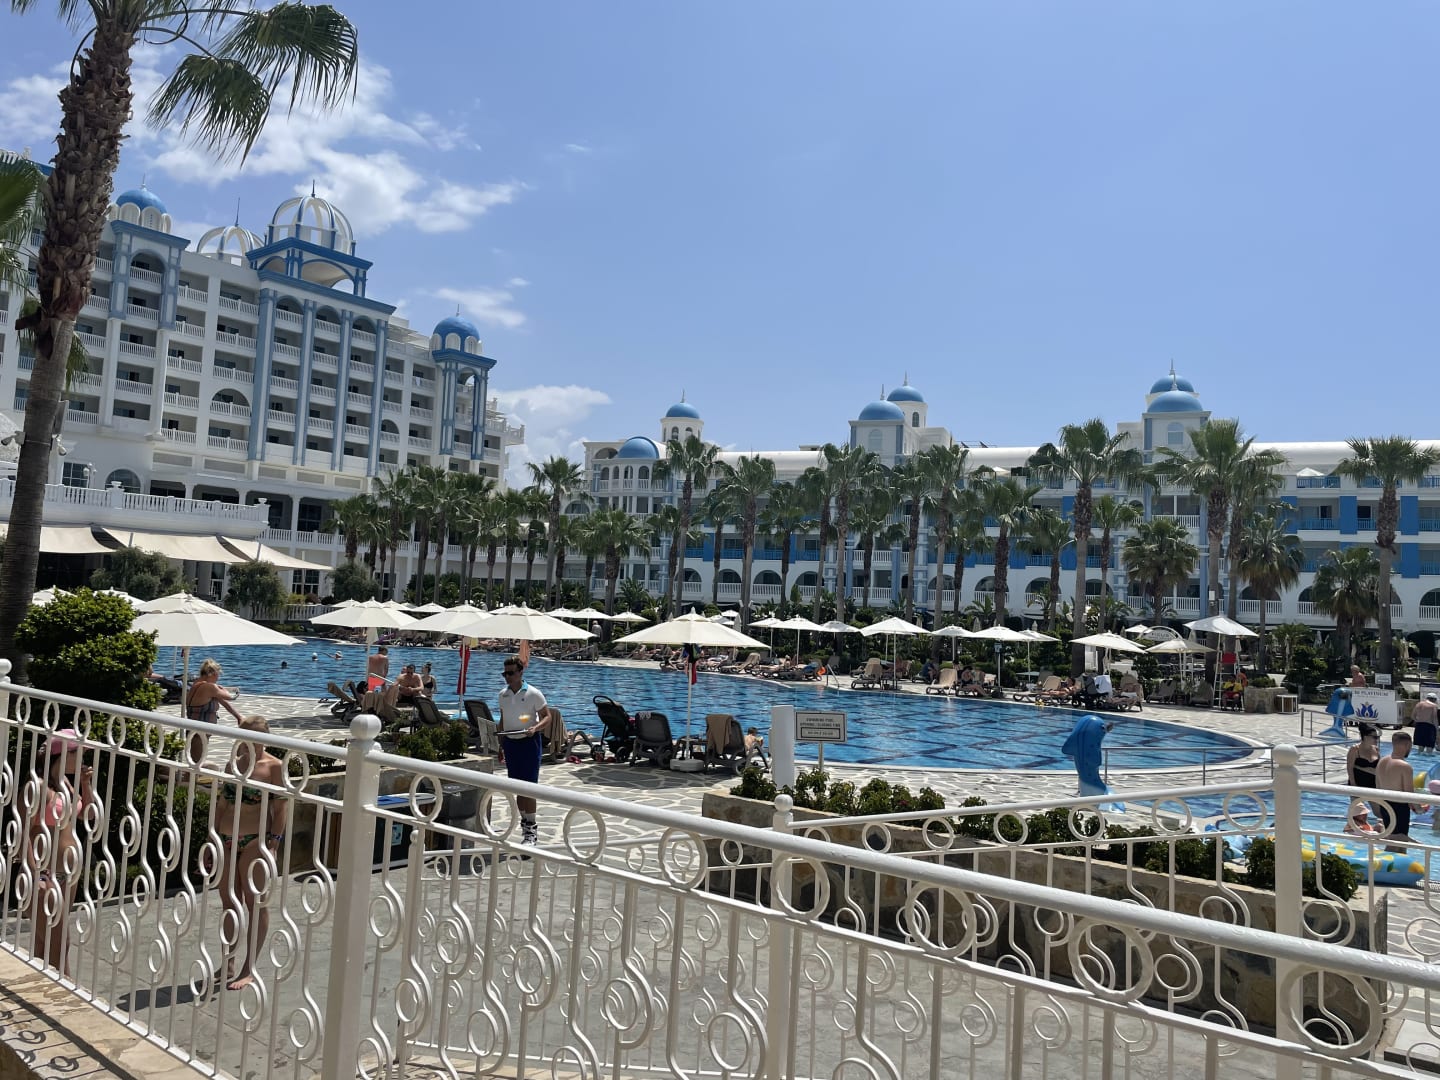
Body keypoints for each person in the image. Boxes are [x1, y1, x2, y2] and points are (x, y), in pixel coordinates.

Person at [215, 715, 286, 991]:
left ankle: (250, 967)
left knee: (254, 902)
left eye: (256, 736)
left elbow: (280, 808)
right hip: (226, 838)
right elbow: (222, 803)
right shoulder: (233, 763)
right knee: (229, 902)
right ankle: (228, 962)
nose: (250, 742)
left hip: (255, 840)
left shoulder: (274, 767)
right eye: (246, 735)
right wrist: (212, 838)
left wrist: (274, 844)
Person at [24, 729, 97, 976]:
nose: (83, 759)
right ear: (63, 754)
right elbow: (23, 833)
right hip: (46, 873)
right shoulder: (39, 787)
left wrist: (85, 785)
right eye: (79, 753)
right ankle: (64, 988)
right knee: (59, 942)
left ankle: (39, 986)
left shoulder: (65, 783)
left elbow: (88, 815)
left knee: (45, 940)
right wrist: (34, 873)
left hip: (67, 872)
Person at [498, 657, 553, 845]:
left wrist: (535, 728)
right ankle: (525, 823)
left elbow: (547, 716)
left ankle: (531, 830)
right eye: (505, 673)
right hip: (510, 744)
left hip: (529, 743)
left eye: (511, 673)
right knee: (517, 787)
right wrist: (500, 744)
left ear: (521, 672)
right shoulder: (503, 695)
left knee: (529, 788)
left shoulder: (534, 693)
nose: (508, 677)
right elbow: (503, 719)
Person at [187, 659, 242, 764]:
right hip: (200, 730)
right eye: (218, 675)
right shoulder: (209, 687)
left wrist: (238, 717)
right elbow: (230, 697)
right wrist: (222, 689)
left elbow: (224, 702)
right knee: (197, 762)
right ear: (213, 674)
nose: (218, 679)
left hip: (197, 729)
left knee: (197, 760)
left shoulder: (197, 684)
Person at [1376, 731, 1419, 846]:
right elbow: (1409, 795)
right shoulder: (1405, 767)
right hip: (1399, 807)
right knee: (1400, 842)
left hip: (1384, 805)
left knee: (1392, 841)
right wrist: (1419, 808)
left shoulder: (1382, 761)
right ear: (1407, 745)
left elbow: (1377, 786)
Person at [1346, 723, 1381, 790]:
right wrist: (1353, 785)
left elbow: (1379, 768)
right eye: (1374, 737)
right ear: (1365, 737)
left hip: (1373, 785)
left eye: (1377, 737)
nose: (1377, 739)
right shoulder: (1355, 749)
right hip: (1358, 785)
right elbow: (1349, 768)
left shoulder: (1376, 749)